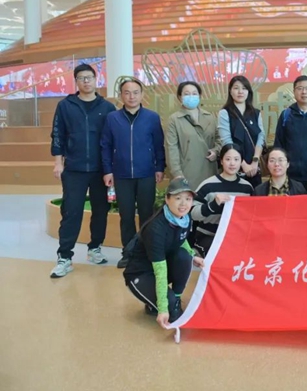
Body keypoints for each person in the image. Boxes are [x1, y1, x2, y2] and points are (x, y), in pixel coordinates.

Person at [49, 64, 116, 278]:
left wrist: (111, 168)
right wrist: (58, 162)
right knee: (71, 211)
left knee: (100, 211)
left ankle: (94, 248)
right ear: (76, 81)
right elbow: (57, 134)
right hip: (74, 169)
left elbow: (113, 140)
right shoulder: (65, 105)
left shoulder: (107, 107)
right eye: (81, 78)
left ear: (96, 79)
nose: (86, 81)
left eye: (89, 77)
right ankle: (64, 257)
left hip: (101, 170)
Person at [123, 178, 205, 329]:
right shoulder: (156, 229)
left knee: (184, 256)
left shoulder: (184, 218)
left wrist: (193, 256)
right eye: (178, 198)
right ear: (167, 199)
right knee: (170, 311)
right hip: (141, 274)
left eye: (188, 199)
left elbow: (181, 239)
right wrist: (163, 309)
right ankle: (161, 303)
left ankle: (175, 298)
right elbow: (160, 272)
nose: (183, 204)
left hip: (162, 267)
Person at [102, 78, 166, 269]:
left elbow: (158, 145)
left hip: (146, 173)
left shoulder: (152, 117)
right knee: (126, 215)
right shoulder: (112, 118)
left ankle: (146, 253)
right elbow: (105, 146)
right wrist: (107, 171)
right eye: (127, 92)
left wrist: (159, 167)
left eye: (136, 92)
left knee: (147, 215)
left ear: (142, 94)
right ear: (121, 95)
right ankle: (128, 253)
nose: (131, 96)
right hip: (121, 175)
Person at [191, 144, 254, 256]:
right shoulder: (208, 185)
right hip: (209, 236)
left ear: (241, 162)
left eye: (236, 159)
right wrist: (213, 205)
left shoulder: (247, 188)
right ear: (221, 161)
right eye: (228, 159)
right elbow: (192, 213)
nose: (232, 163)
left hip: (237, 238)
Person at [166, 81, 218, 190]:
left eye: (194, 93)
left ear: (199, 96)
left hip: (209, 170)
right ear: (179, 97)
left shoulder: (210, 117)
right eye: (187, 94)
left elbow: (219, 139)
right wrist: (177, 173)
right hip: (186, 172)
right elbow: (171, 148)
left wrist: (216, 151)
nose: (191, 96)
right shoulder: (174, 119)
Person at [218, 75, 265, 188]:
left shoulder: (256, 113)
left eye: (244, 88)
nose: (240, 92)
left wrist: (255, 161)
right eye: (236, 88)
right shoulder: (224, 113)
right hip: (233, 166)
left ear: (248, 92)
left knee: (255, 195)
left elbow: (261, 136)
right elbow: (226, 141)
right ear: (230, 91)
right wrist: (242, 164)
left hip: (254, 167)